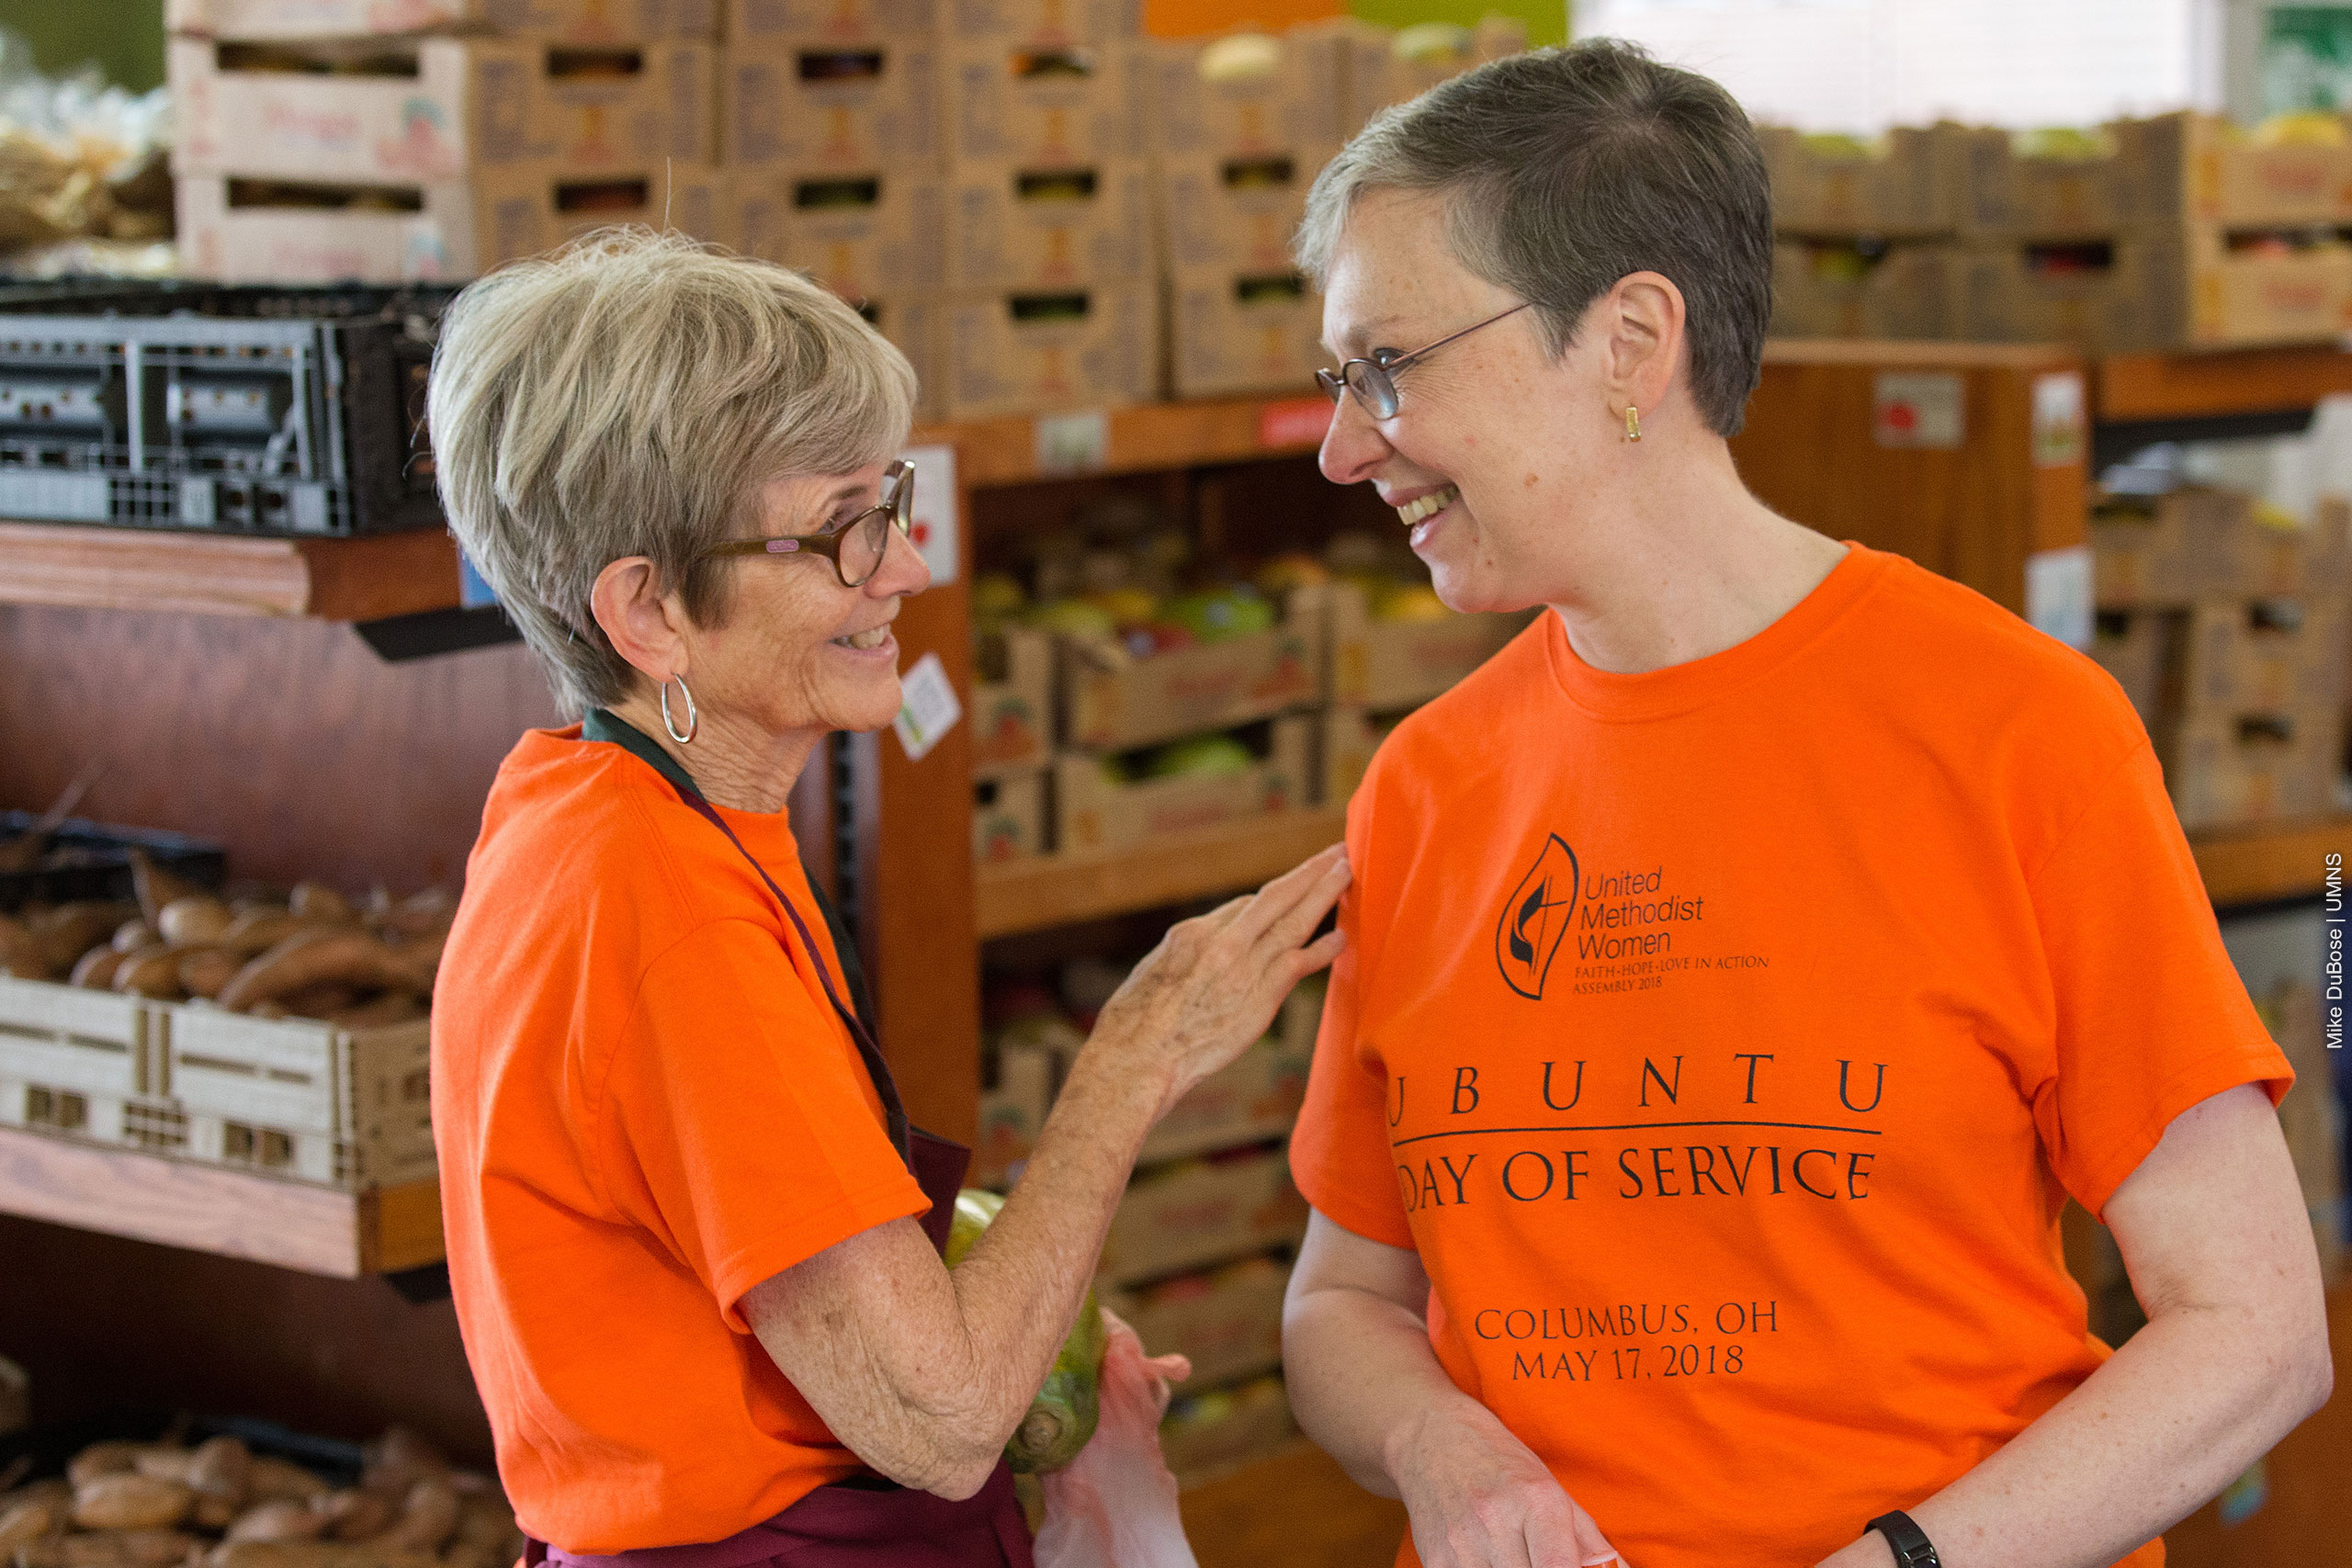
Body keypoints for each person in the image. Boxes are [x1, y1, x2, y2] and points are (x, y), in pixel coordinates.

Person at [1281, 40, 2333, 1568]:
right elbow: (1343, 1301)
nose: (1342, 443)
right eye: (1336, 379)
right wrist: (1440, 1445)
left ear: (1631, 339)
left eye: (1391, 365)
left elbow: (2256, 1330)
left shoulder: (2015, 731)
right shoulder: (1429, 788)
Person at [423, 230, 1350, 1567]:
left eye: (892, 503)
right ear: (649, 614)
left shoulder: (604, 811)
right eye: (845, 531)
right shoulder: (668, 915)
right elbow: (946, 1417)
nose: (906, 568)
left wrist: (1024, 1311)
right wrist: (1134, 1061)